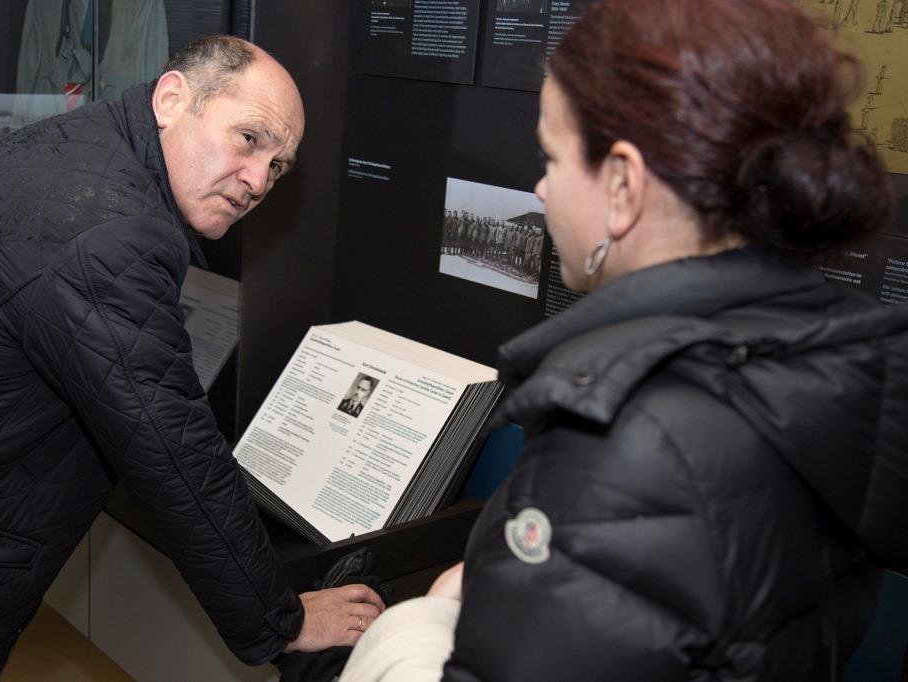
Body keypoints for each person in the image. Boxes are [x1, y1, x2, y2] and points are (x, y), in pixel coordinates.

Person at [341, 0, 908, 680]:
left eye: (552, 155)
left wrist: (424, 620)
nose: (542, 186)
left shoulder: (627, 443)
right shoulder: (817, 370)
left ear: (623, 183)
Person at [0, 35, 383, 679]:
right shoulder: (111, 231)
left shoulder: (81, 152)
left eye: (279, 165)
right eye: (250, 139)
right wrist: (279, 619)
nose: (259, 180)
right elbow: (173, 449)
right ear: (173, 99)